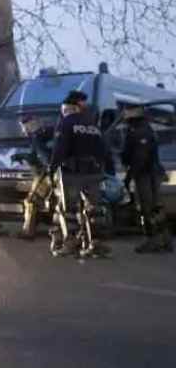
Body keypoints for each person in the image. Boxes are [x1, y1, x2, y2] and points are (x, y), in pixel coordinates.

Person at [49, 90, 114, 257]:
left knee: (69, 209)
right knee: (94, 209)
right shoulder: (92, 125)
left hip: (72, 173)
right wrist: (106, 168)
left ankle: (70, 243)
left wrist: (52, 167)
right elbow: (104, 149)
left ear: (66, 108)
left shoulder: (66, 123)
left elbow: (60, 149)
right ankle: (96, 243)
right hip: (94, 173)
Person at [121, 104, 171, 253]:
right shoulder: (147, 128)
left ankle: (152, 240)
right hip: (152, 172)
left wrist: (129, 176)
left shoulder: (139, 131)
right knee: (156, 208)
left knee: (146, 208)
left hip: (145, 174)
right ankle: (165, 239)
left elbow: (140, 157)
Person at [10, 114, 56, 240]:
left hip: (46, 174)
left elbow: (41, 157)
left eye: (24, 126)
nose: (24, 130)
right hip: (62, 172)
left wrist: (22, 157)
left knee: (31, 201)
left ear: (31, 124)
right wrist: (22, 156)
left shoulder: (37, 137)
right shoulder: (50, 132)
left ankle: (28, 232)